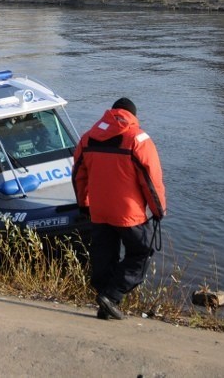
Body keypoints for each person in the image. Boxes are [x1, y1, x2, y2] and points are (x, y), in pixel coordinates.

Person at [71, 98, 166, 320]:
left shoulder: (88, 138)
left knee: (104, 256)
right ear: (133, 115)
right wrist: (158, 210)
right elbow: (151, 181)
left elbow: (78, 175)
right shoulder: (138, 139)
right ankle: (111, 296)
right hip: (128, 213)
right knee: (141, 253)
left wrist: (84, 204)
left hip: (99, 210)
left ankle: (106, 303)